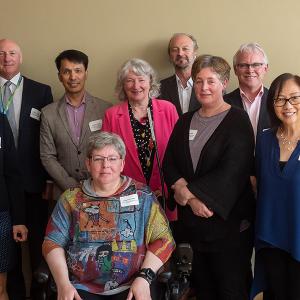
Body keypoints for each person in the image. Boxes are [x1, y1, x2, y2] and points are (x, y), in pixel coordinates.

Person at [163, 55, 255, 299]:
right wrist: (186, 194)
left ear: (224, 83)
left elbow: (234, 170)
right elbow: (169, 162)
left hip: (228, 227)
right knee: (202, 289)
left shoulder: (238, 120)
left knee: (230, 289)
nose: (204, 87)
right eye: (199, 81)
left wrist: (187, 193)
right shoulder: (184, 121)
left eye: (211, 81)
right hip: (193, 227)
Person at [43, 131, 175, 300]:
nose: (106, 165)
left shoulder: (142, 196)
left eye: (112, 158)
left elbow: (164, 239)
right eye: (98, 159)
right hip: (80, 287)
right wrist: (63, 284)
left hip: (132, 285)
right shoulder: (71, 198)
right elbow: (52, 242)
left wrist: (144, 278)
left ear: (122, 163)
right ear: (88, 164)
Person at [0, 38, 53, 300]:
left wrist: (48, 181)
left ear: (20, 58)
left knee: (36, 248)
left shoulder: (41, 91)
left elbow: (47, 139)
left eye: (12, 53)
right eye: (1, 54)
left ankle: (37, 295)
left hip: (34, 184)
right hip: (1, 186)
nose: (6, 58)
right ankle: (14, 294)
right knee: (5, 250)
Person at [101, 58, 178, 220]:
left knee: (164, 242)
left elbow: (180, 153)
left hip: (165, 194)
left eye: (141, 80)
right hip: (127, 194)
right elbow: (106, 158)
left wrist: (168, 187)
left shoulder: (168, 109)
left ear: (150, 82)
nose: (136, 86)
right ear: (123, 85)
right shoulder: (112, 115)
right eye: (130, 81)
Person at [252, 73, 300, 300]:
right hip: (270, 238)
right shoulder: (264, 140)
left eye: (294, 98)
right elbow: (258, 185)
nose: (288, 105)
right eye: (280, 99)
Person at [40, 49, 111, 200]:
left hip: (101, 190)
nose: (73, 77)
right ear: (59, 76)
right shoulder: (48, 113)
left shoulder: (105, 109)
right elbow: (47, 156)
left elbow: (113, 151)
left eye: (78, 70)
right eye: (66, 72)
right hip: (63, 193)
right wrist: (70, 185)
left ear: (86, 73)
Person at [0, 113, 28, 300]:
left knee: (0, 289)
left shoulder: (1, 121)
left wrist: (18, 220)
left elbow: (12, 174)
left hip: (0, 214)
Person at [224, 42, 270, 138]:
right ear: (236, 70)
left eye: (256, 65)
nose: (250, 70)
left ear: (265, 68)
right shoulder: (223, 103)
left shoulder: (276, 101)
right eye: (243, 65)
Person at [160, 33, 200, 115]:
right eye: (175, 49)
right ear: (170, 55)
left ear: (195, 53)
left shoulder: (210, 86)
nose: (180, 53)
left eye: (185, 49)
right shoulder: (159, 88)